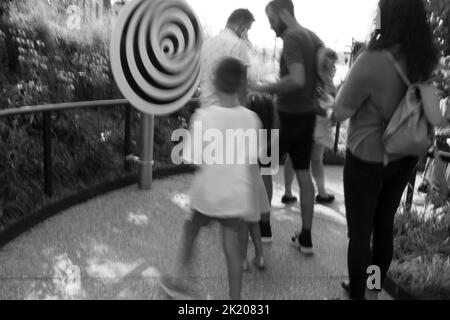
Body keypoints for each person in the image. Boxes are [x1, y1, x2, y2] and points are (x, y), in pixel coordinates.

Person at [331, 0, 439, 300]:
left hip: (367, 156)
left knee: (360, 233)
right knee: (383, 227)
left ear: (385, 16)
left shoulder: (372, 59)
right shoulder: (423, 59)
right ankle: (374, 289)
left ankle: (358, 294)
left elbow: (340, 112)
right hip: (405, 154)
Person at [160, 57, 263, 300]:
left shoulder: (203, 117)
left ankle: (179, 282)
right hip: (236, 196)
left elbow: (194, 158)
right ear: (241, 85)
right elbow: (252, 161)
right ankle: (235, 300)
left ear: (215, 83)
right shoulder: (252, 119)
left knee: (191, 229)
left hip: (208, 193)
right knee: (232, 245)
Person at [253, 0, 324, 255]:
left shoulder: (292, 37)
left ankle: (264, 228)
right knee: (303, 173)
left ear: (284, 13)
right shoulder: (312, 37)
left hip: (286, 117)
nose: (271, 27)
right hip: (307, 116)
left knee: (264, 165)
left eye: (272, 20)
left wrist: (264, 87)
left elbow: (296, 79)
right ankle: (306, 238)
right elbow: (322, 74)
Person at [282, 48, 338, 205]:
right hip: (307, 122)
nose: (332, 65)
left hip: (318, 124)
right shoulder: (313, 77)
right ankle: (290, 192)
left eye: (333, 62)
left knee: (314, 160)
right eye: (330, 61)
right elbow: (312, 101)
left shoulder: (326, 78)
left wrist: (332, 112)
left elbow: (329, 99)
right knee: (296, 158)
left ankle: (320, 192)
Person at [199, 8, 255, 109]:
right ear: (241, 27)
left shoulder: (206, 43)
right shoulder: (239, 45)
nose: (247, 34)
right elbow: (242, 86)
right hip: (229, 111)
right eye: (248, 29)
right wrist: (243, 110)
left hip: (205, 108)